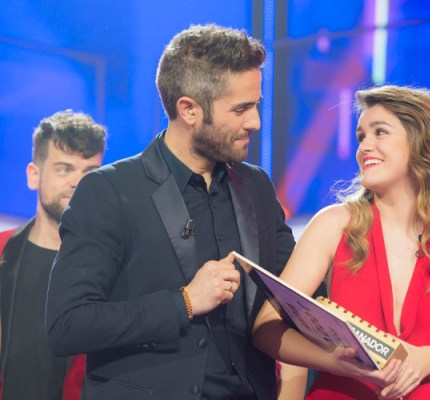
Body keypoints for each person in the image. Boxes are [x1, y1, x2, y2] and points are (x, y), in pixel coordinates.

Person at [45, 24, 296, 400]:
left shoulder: (256, 185)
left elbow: (297, 290)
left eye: (256, 105)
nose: (255, 122)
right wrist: (185, 302)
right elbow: (68, 325)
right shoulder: (108, 190)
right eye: (241, 109)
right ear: (189, 109)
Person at [252, 85, 430, 399]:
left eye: (380, 132)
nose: (365, 147)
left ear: (420, 142)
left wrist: (426, 360)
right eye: (361, 136)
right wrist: (331, 361)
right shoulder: (333, 224)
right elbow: (266, 327)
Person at [0, 110, 106, 400]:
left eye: (90, 172)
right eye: (64, 169)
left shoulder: (112, 265)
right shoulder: (3, 251)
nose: (78, 181)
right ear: (34, 175)